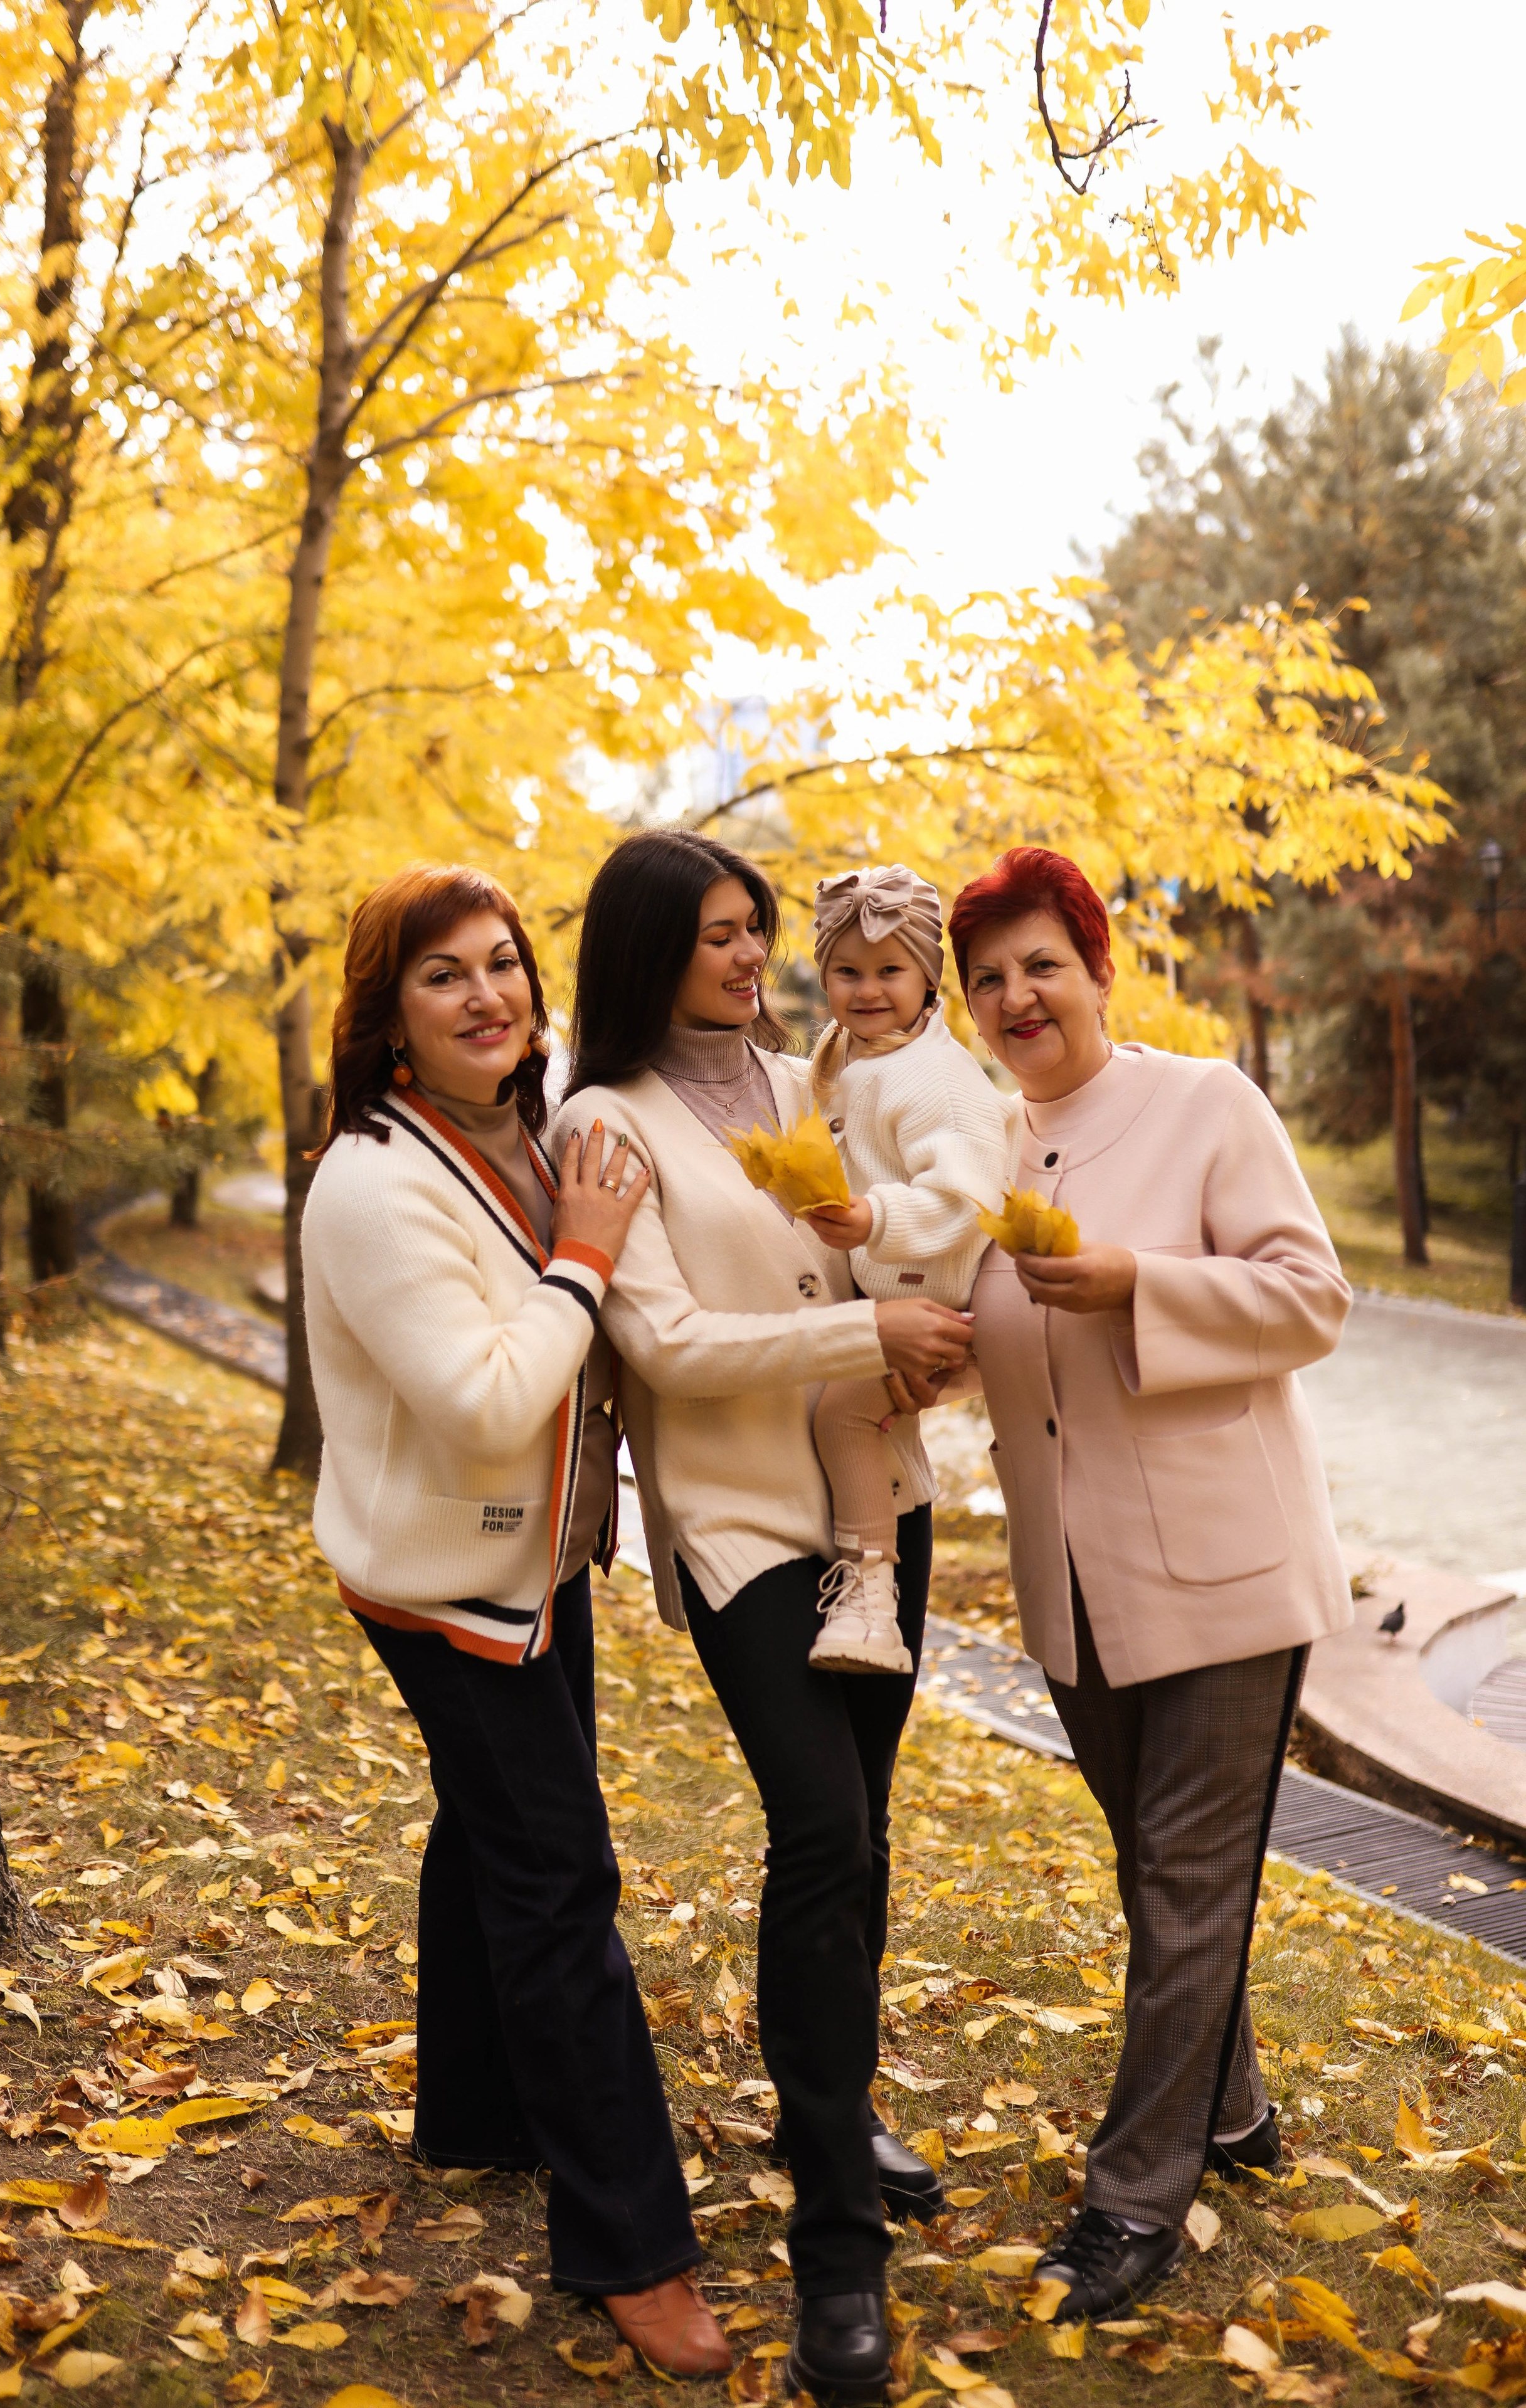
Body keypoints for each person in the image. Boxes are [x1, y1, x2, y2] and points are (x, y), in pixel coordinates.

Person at [560, 829, 975, 2404]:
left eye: (757, 933)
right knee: (818, 1831)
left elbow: (929, 1187)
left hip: (879, 1500)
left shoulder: (823, 1076)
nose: (753, 958)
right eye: (721, 936)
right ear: (651, 950)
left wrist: (921, 1331)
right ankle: (837, 2250)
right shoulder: (604, 1122)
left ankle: (835, 2091)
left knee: (860, 1824)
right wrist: (868, 1320)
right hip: (737, 1525)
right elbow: (662, 1342)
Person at [302, 863, 730, 2377]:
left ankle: (474, 2117)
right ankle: (631, 2245)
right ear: (389, 1022)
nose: (489, 994)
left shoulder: (525, 1129)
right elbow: (487, 1397)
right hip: (445, 1580)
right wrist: (585, 1255)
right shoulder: (373, 1180)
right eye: (444, 977)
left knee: (490, 1832)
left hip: (536, 1561)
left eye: (503, 964)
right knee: (559, 1880)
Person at [949, 845, 1354, 2326]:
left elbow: (1312, 1296)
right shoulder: (983, 1145)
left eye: (1038, 964)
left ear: (1096, 967)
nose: (1013, 996)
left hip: (1227, 1575)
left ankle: (1132, 2205)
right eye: (985, 977)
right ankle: (1232, 2110)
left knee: (1186, 1889)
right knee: (1157, 1880)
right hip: (1071, 1591)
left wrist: (1139, 1282)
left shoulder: (1204, 1105)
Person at [797, 863, 1013, 1674]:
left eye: (890, 971)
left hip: (941, 1304)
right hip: (892, 1291)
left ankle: (870, 1601)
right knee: (857, 1418)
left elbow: (968, 1200)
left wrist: (872, 1219)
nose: (867, 990)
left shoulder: (939, 1083)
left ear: (929, 979)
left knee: (844, 1416)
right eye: (846, 972)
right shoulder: (852, 1054)